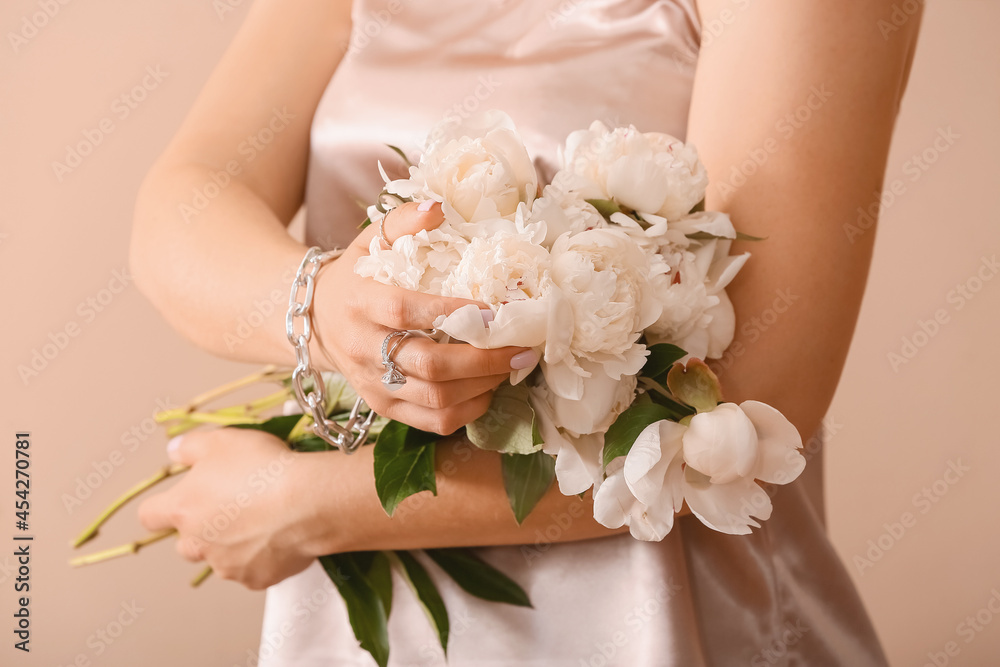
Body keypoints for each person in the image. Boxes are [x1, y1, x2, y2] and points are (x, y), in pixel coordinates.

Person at [131, 0, 922, 664]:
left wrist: (306, 503)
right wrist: (318, 307)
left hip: (654, 617)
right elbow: (186, 201)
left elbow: (759, 391)